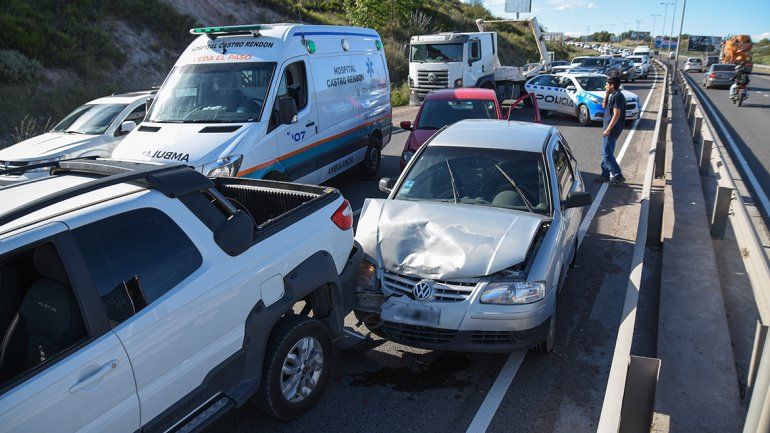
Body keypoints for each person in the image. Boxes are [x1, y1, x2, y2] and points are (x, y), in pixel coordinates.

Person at [595, 74, 626, 185]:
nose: (605, 86)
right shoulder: (613, 95)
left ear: (612, 85)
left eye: (607, 84)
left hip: (611, 130)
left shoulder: (617, 96)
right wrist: (606, 95)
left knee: (607, 155)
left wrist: (608, 129)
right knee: (605, 153)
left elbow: (616, 114)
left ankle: (618, 176)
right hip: (609, 129)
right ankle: (605, 176)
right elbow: (604, 106)